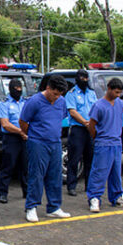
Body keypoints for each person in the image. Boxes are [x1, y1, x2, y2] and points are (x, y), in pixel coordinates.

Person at [20, 74, 71, 221]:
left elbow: (59, 118)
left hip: (55, 142)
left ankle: (54, 207)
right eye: (54, 94)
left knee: (55, 175)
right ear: (48, 88)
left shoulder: (61, 102)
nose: (56, 97)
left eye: (59, 95)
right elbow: (23, 121)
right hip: (38, 142)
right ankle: (31, 206)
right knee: (36, 175)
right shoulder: (35, 101)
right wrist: (32, 136)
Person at [86, 78, 123, 212]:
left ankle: (117, 196)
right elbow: (91, 125)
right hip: (103, 142)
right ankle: (94, 197)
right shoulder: (99, 105)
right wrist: (97, 137)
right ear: (109, 89)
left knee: (116, 172)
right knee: (99, 171)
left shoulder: (119, 103)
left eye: (120, 93)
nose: (118, 95)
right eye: (116, 92)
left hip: (116, 142)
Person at [65, 69, 97, 196]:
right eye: (81, 78)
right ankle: (71, 186)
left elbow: (95, 109)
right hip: (78, 129)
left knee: (90, 158)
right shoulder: (71, 93)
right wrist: (85, 122)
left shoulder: (92, 93)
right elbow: (72, 111)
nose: (84, 80)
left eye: (86, 78)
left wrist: (92, 124)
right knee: (74, 159)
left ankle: (89, 185)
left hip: (90, 129)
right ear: (77, 79)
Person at [0, 78, 27, 204]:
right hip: (11, 138)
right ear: (10, 89)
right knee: (8, 167)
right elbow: (5, 124)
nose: (18, 91)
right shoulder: (4, 103)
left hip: (25, 138)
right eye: (16, 89)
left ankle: (27, 192)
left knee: (26, 167)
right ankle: (3, 193)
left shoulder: (25, 102)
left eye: (20, 89)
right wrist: (21, 132)